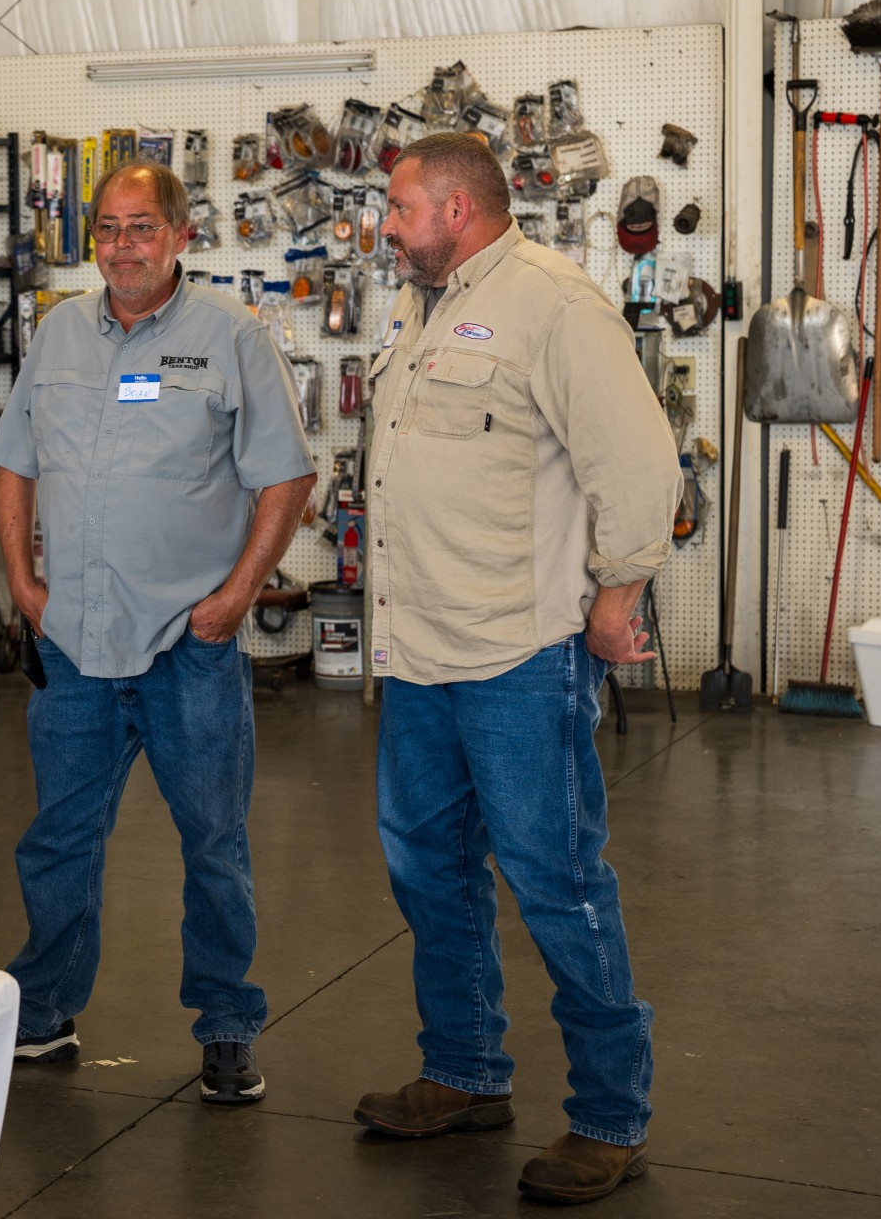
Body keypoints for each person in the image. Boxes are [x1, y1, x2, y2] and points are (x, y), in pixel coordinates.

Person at [353, 132, 679, 1204]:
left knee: (558, 885)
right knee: (429, 872)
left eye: (400, 208)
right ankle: (464, 1071)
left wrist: (616, 598)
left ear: (456, 208)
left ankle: (608, 1119)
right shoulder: (424, 304)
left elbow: (635, 463)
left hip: (521, 652)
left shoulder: (556, 302)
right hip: (422, 652)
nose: (386, 226)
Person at [0, 160, 316, 1105]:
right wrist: (22, 581)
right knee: (58, 838)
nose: (122, 246)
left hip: (187, 645)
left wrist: (236, 598)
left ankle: (226, 1027)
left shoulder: (231, 338)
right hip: (75, 646)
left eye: (141, 228)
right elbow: (14, 463)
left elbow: (284, 479)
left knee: (213, 842)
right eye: (107, 228)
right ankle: (42, 1011)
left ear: (179, 236)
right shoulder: (57, 334)